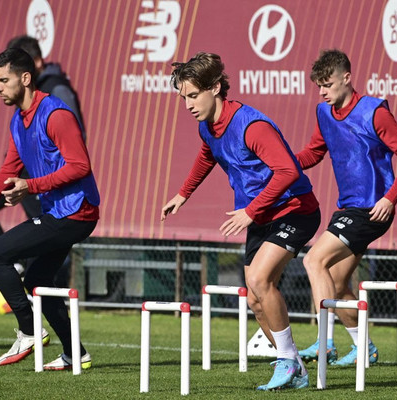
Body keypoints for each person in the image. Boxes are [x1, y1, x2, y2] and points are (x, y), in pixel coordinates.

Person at [161, 52, 321, 390]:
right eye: (183, 97)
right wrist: (183, 193)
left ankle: (287, 361)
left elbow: (289, 170)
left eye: (193, 96)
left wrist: (250, 211)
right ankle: (296, 367)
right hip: (261, 215)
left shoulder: (252, 125)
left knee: (261, 280)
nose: (188, 104)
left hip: (295, 209)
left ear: (215, 88)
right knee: (253, 298)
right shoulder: (207, 127)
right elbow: (208, 155)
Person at [0, 48, 100, 370]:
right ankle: (77, 353)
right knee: (37, 279)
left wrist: (30, 186)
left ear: (25, 78)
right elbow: (6, 172)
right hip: (60, 212)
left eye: (4, 80)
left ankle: (29, 332)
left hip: (76, 212)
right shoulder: (18, 120)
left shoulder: (56, 114)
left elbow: (80, 166)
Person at [296, 49, 397, 367]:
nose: (322, 92)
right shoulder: (323, 113)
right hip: (348, 209)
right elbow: (313, 152)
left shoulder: (374, 111)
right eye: (319, 86)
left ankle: (326, 343)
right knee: (336, 284)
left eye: (328, 84)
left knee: (313, 260)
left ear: (347, 78)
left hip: (371, 210)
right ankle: (364, 347)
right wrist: (284, 163)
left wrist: (390, 198)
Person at [0, 35, 86, 291]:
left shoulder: (56, 93)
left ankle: (36, 287)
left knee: (40, 246)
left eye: (4, 79)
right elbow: (11, 164)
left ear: (28, 72)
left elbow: (75, 151)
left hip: (49, 185)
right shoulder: (20, 109)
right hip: (24, 176)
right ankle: (17, 268)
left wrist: (34, 183)